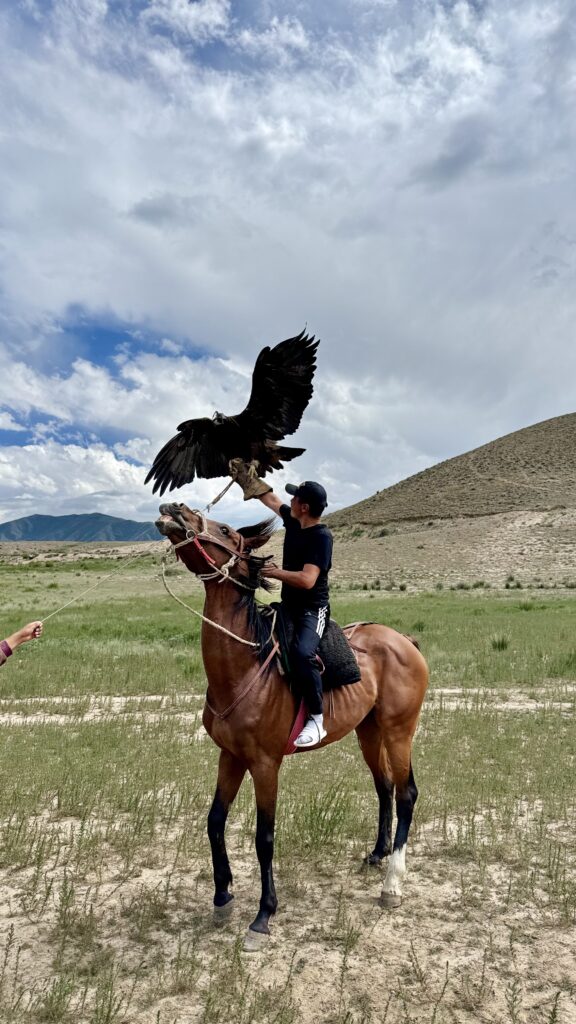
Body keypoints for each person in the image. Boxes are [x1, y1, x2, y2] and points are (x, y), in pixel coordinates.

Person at [230, 459, 333, 748]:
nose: (290, 499)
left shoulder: (321, 537)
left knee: (302, 654)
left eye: (295, 497)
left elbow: (307, 580)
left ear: (304, 507)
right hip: (287, 605)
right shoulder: (293, 519)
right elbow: (272, 499)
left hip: (313, 610)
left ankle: (316, 719)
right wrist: (246, 480)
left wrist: (276, 573)